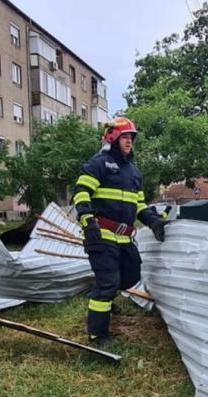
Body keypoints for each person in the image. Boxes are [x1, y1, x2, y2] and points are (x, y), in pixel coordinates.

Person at [72, 117, 168, 347]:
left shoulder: (134, 172)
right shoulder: (99, 164)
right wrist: (87, 220)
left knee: (131, 276)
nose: (129, 142)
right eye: (125, 137)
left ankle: (102, 296)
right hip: (101, 235)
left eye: (131, 138)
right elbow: (81, 192)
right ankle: (98, 334)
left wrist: (154, 222)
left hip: (125, 238)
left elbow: (140, 205)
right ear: (113, 137)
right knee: (108, 283)